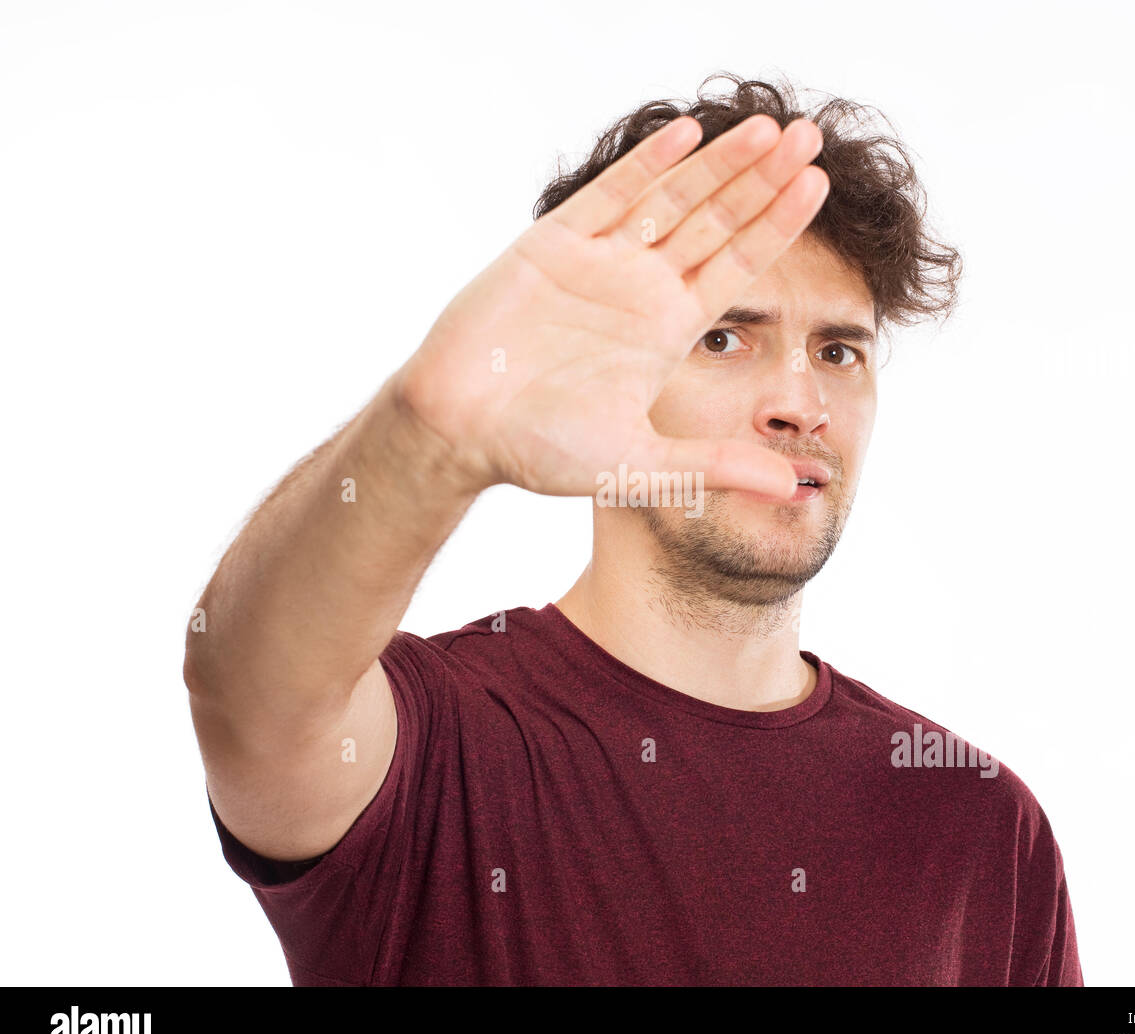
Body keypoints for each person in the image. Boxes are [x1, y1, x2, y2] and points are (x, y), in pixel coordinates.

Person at [184, 72, 1083, 986]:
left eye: (838, 351)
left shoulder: (981, 828)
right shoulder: (432, 750)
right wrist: (428, 435)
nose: (798, 404)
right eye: (725, 338)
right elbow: (243, 687)